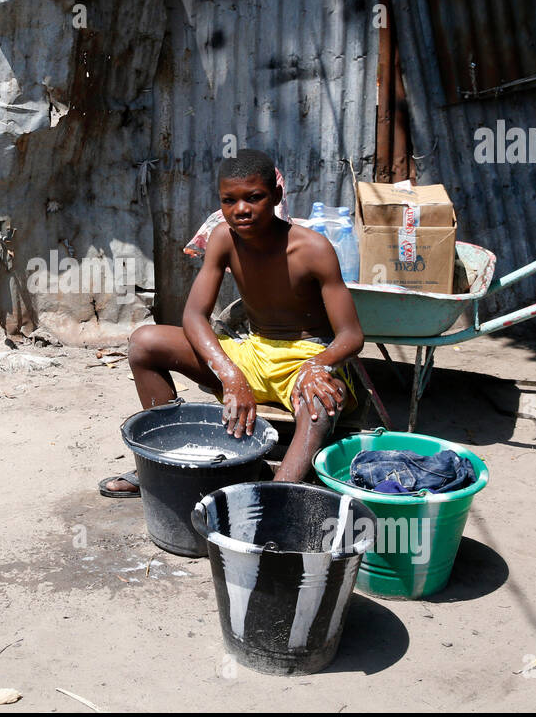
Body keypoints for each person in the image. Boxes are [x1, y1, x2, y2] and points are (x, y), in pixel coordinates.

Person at [101, 149, 364, 495]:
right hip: (252, 354)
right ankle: (163, 465)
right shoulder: (224, 239)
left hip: (303, 360)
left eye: (254, 197)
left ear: (277, 197)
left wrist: (319, 364)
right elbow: (194, 315)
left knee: (320, 406)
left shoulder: (313, 249)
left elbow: (351, 335)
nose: (241, 209)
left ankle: (274, 500)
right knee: (145, 342)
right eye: (230, 200)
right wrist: (230, 373)